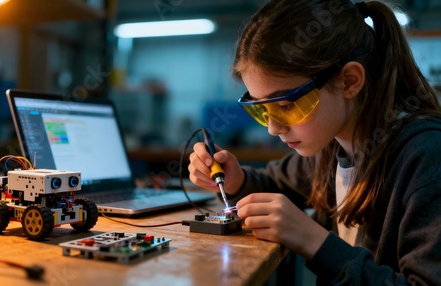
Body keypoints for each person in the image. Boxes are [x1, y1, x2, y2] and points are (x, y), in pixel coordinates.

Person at [188, 0, 441, 285]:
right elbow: (276, 184)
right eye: (261, 109)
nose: (273, 128)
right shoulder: (331, 145)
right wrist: (236, 181)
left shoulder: (426, 155)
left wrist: (314, 241)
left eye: (285, 105)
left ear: (349, 81)